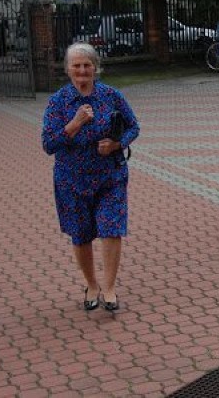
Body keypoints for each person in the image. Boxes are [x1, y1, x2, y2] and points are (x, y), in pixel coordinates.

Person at [41, 42, 139, 312]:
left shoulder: (111, 95)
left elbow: (133, 126)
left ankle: (109, 288)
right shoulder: (58, 101)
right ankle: (91, 284)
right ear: (68, 69)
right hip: (71, 180)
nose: (82, 70)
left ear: (95, 68)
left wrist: (116, 144)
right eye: (76, 65)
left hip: (110, 176)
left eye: (87, 65)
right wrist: (74, 124)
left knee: (111, 229)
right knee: (81, 234)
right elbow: (48, 144)